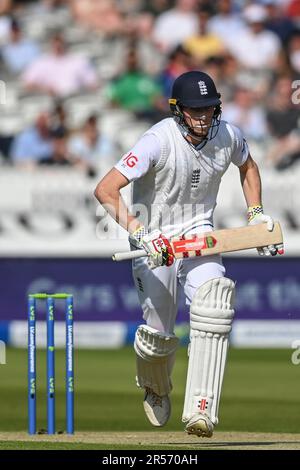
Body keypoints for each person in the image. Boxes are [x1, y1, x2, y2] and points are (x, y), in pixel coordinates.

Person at [94, 71, 283, 437]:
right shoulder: (157, 140)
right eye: (196, 110)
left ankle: (202, 409)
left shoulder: (228, 134)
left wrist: (257, 214)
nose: (204, 117)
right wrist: (140, 233)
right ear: (178, 110)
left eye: (209, 109)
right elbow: (105, 189)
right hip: (155, 237)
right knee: (160, 333)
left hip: (199, 234)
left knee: (215, 301)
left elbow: (248, 166)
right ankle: (155, 385)